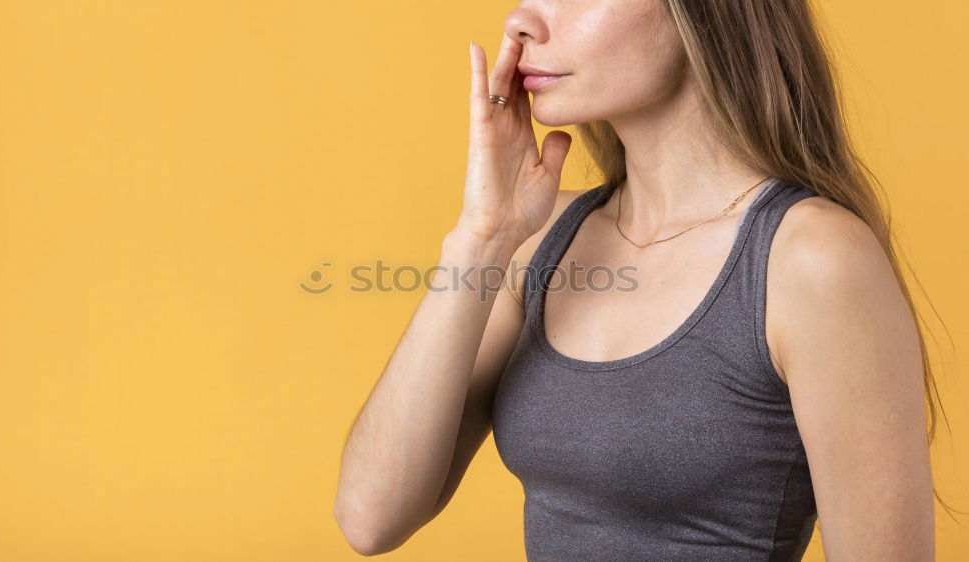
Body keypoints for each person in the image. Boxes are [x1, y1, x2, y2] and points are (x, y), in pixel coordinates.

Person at [334, 1, 943, 559]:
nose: (522, 21)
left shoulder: (810, 258)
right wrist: (480, 238)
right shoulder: (540, 241)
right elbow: (370, 518)